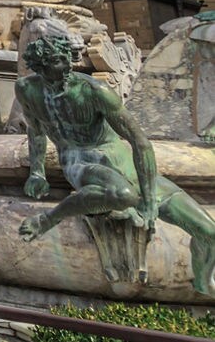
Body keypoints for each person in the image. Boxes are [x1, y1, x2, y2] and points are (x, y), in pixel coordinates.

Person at [17, 33, 215, 296]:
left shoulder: (94, 91)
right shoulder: (27, 89)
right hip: (80, 159)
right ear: (40, 65)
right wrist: (37, 172)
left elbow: (140, 142)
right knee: (122, 195)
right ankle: (46, 220)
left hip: (122, 161)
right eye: (56, 61)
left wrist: (149, 198)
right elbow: (36, 130)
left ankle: (203, 284)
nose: (66, 66)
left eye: (67, 59)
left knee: (209, 232)